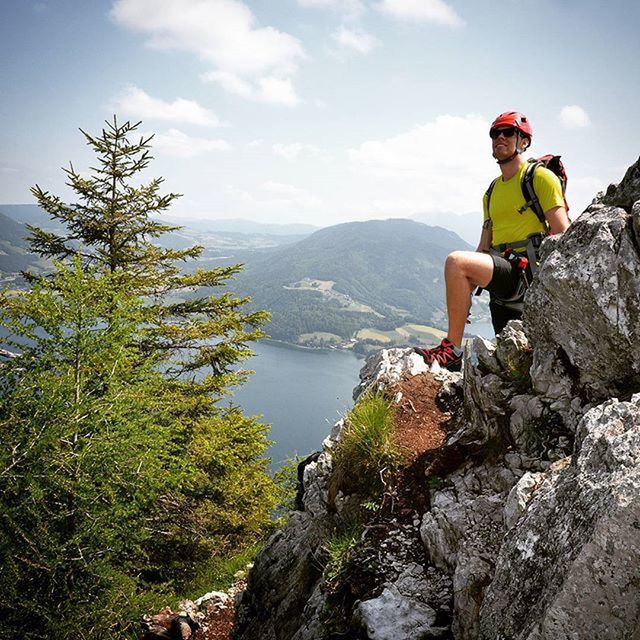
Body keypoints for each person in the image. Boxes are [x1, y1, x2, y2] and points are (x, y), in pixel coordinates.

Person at [415, 111, 571, 371]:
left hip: (528, 274)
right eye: (495, 133)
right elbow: (483, 248)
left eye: (508, 132)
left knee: (455, 261)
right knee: (512, 366)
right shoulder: (491, 191)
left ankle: (452, 349)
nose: (500, 137)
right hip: (503, 283)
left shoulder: (539, 178)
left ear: (524, 141)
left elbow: (563, 233)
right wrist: (464, 287)